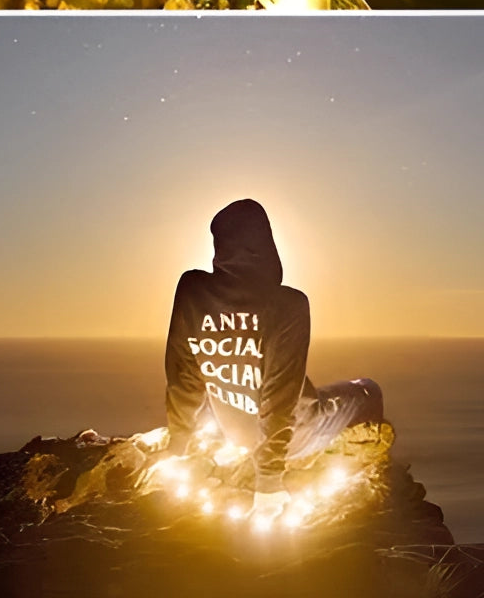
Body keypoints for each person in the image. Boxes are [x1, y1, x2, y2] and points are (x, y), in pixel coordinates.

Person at [163, 198, 382, 514]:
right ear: (266, 244)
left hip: (232, 429)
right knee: (368, 389)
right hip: (291, 437)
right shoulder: (289, 305)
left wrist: (178, 446)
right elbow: (279, 398)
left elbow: (183, 373)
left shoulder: (191, 288)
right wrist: (267, 484)